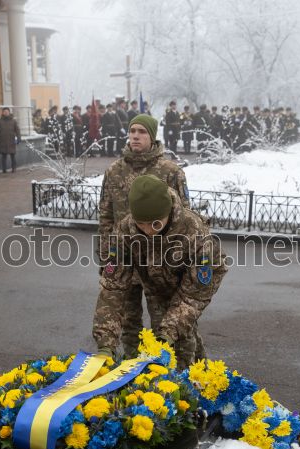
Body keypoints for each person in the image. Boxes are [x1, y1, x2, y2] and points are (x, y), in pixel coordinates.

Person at [93, 174, 226, 369]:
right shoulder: (125, 231)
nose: (148, 230)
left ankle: (198, 377)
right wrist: (105, 343)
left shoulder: (194, 231)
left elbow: (194, 295)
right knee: (163, 337)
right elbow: (113, 288)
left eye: (155, 223)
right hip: (154, 285)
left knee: (178, 339)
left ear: (168, 212)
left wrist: (169, 333)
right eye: (141, 223)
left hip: (189, 287)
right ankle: (192, 371)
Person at [98, 114, 191, 358]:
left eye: (142, 132)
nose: (135, 136)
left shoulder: (170, 172)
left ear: (152, 136)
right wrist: (106, 256)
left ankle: (163, 368)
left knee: (163, 323)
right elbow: (105, 216)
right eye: (132, 131)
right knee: (129, 323)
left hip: (158, 262)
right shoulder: (114, 171)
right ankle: (131, 367)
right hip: (125, 257)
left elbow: (183, 218)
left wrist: (178, 260)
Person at [0, 107, 21, 173]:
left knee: (13, 156)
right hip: (2, 141)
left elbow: (17, 130)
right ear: (3, 113)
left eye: (7, 112)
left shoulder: (13, 121)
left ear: (9, 112)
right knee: (3, 156)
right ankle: (4, 169)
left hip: (11, 141)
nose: (6, 113)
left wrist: (19, 138)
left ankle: (14, 168)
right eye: (4, 112)